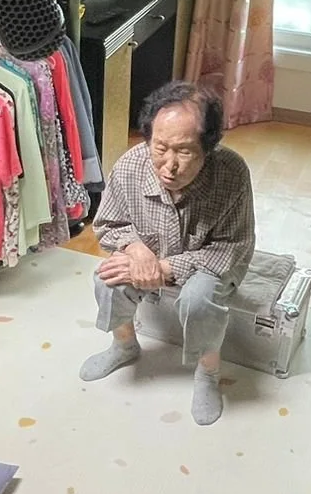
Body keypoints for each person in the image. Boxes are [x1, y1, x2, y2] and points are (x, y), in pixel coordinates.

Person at [81, 81, 255, 426]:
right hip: (150, 249)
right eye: (160, 147)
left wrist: (162, 267)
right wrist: (134, 249)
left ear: (209, 147)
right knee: (107, 279)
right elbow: (108, 224)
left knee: (199, 299)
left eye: (185, 151)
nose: (169, 165)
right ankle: (125, 346)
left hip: (211, 262)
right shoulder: (131, 165)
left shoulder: (232, 173)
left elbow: (229, 249)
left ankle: (207, 372)